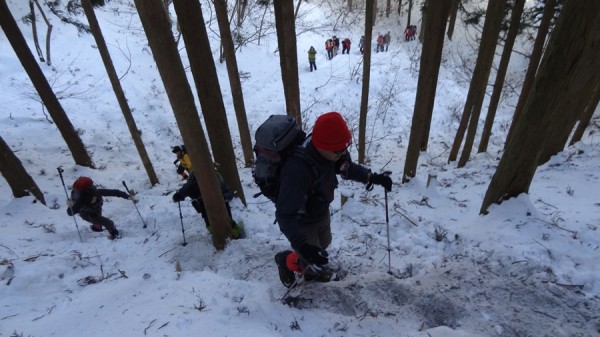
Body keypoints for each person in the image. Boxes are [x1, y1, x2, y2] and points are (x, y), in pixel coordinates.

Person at [274, 112, 393, 287]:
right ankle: (285, 261)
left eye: (346, 147)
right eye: (339, 150)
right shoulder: (297, 171)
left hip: (321, 209)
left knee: (324, 243)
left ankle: (304, 259)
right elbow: (285, 214)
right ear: (321, 146)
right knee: (310, 259)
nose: (343, 153)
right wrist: (303, 246)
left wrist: (372, 177)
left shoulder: (334, 151)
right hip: (302, 220)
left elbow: (347, 168)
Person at [172, 173, 243, 239]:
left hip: (219, 203)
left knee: (225, 221)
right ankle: (221, 235)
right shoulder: (191, 185)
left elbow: (229, 193)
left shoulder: (216, 182)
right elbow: (180, 194)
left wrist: (223, 198)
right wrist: (177, 196)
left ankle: (232, 234)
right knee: (212, 223)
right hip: (204, 204)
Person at [66, 176, 131, 240]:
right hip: (87, 214)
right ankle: (114, 233)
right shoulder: (81, 202)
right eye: (91, 199)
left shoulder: (96, 192)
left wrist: (128, 196)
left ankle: (96, 227)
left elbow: (114, 192)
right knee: (109, 223)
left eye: (94, 197)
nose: (94, 199)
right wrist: (70, 206)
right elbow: (70, 212)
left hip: (96, 209)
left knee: (98, 221)